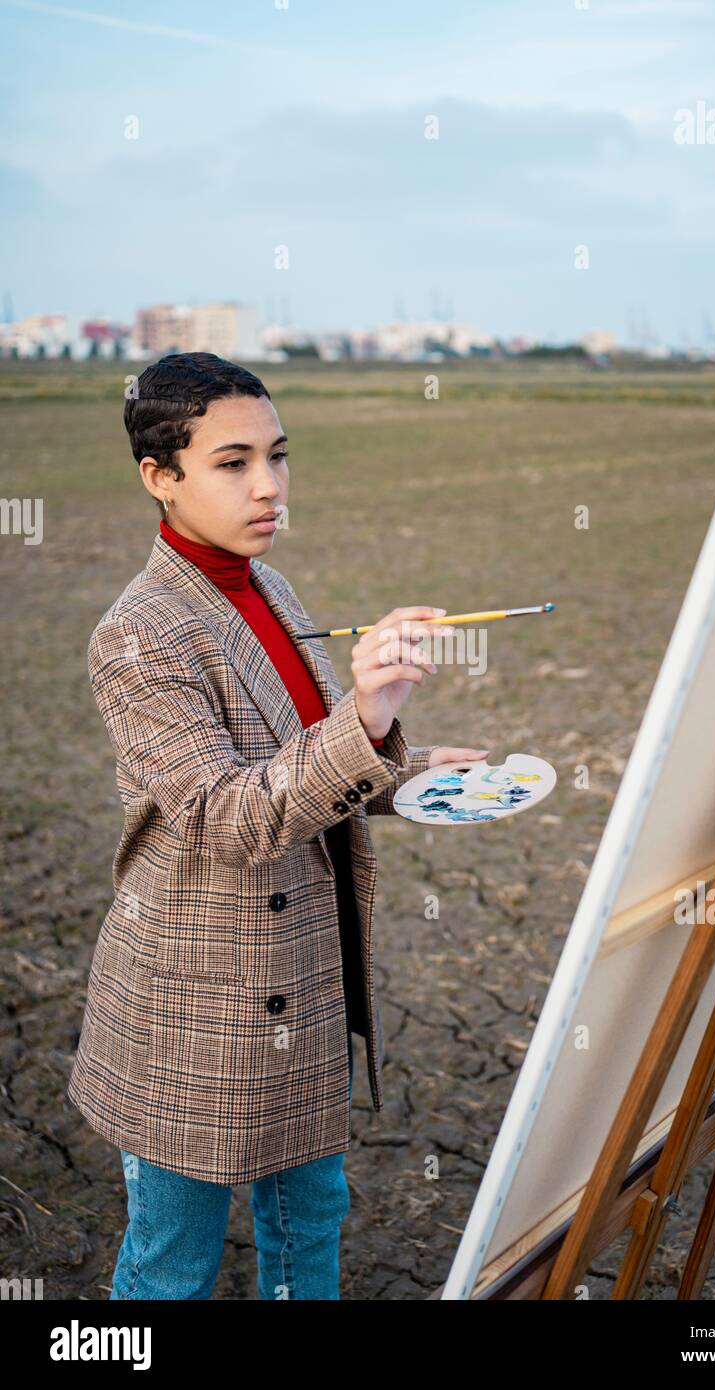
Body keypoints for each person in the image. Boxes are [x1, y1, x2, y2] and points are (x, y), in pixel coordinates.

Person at [67, 351, 488, 1299]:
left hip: (306, 974)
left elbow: (303, 761)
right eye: (232, 462)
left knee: (312, 1222)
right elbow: (229, 814)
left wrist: (416, 768)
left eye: (278, 456)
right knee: (173, 1261)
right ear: (160, 478)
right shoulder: (140, 635)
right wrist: (367, 721)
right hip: (197, 1005)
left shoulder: (271, 589)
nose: (269, 487)